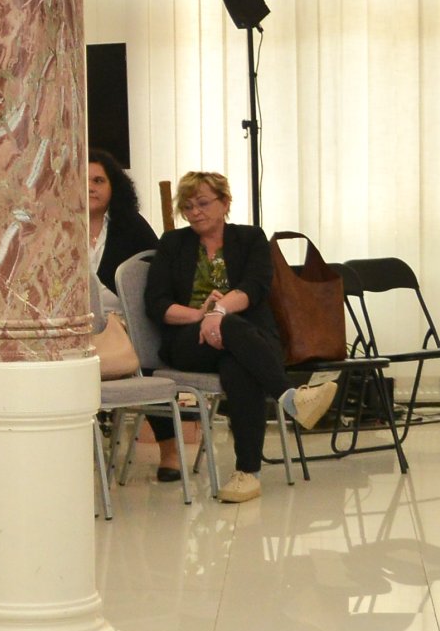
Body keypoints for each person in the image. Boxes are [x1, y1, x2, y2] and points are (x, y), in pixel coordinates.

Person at [145, 174, 332, 503]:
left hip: (250, 338)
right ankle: (290, 398)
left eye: (203, 203)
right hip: (190, 341)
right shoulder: (172, 243)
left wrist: (218, 313)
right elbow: (156, 304)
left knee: (237, 363)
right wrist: (200, 316)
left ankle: (248, 475)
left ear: (225, 203)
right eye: (187, 207)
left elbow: (255, 287)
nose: (195, 212)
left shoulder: (250, 238)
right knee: (231, 332)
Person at [89, 148, 160, 293]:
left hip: (123, 307)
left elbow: (159, 274)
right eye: (82, 180)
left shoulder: (132, 224)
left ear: (113, 186)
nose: (90, 187)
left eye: (98, 181)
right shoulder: (57, 227)